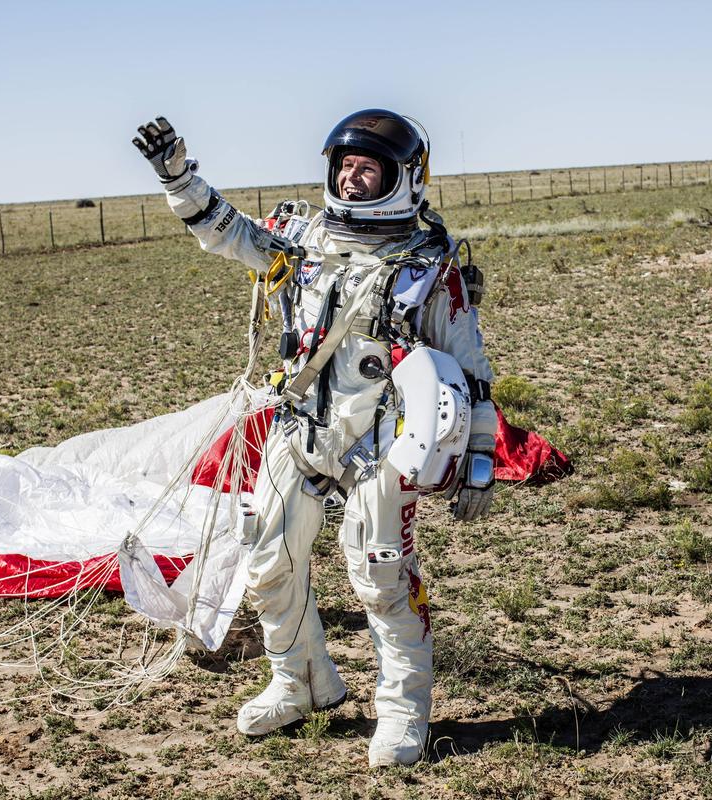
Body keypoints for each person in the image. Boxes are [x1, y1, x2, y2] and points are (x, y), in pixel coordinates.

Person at [133, 109, 497, 766]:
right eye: (346, 167)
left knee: (380, 576)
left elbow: (469, 365)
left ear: (404, 180)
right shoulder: (301, 241)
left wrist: (479, 456)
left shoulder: (426, 266)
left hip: (383, 443)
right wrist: (180, 179)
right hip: (302, 428)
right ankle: (301, 681)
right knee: (268, 561)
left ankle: (403, 709)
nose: (354, 180)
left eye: (369, 169)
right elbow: (227, 233)